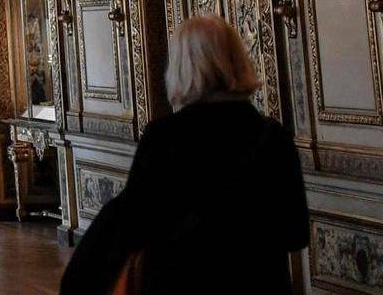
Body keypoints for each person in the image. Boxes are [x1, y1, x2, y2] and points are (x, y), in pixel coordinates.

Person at [60, 16, 306, 294]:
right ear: (238, 60)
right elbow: (295, 233)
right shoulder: (273, 138)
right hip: (259, 283)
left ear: (180, 67)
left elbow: (131, 223)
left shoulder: (164, 138)